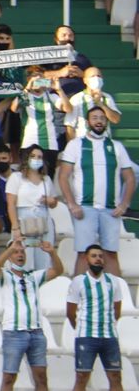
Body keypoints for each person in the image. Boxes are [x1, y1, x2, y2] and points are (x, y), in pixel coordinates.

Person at [58, 107, 135, 277]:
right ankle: (79, 292)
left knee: (111, 253)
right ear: (87, 122)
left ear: (106, 122)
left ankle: (115, 292)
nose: (99, 121)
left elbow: (130, 178)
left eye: (102, 118)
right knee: (83, 253)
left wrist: (124, 204)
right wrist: (72, 204)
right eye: (94, 118)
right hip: (85, 208)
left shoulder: (116, 146)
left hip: (111, 209)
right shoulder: (75, 145)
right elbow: (63, 176)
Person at [69, 244, 129, 391]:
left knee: (115, 377)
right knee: (82, 377)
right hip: (86, 336)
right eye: (94, 256)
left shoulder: (113, 281)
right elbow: (70, 312)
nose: (98, 259)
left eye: (100, 256)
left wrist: (107, 325)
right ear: (87, 259)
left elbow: (117, 310)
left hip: (109, 336)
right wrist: (82, 328)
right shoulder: (78, 281)